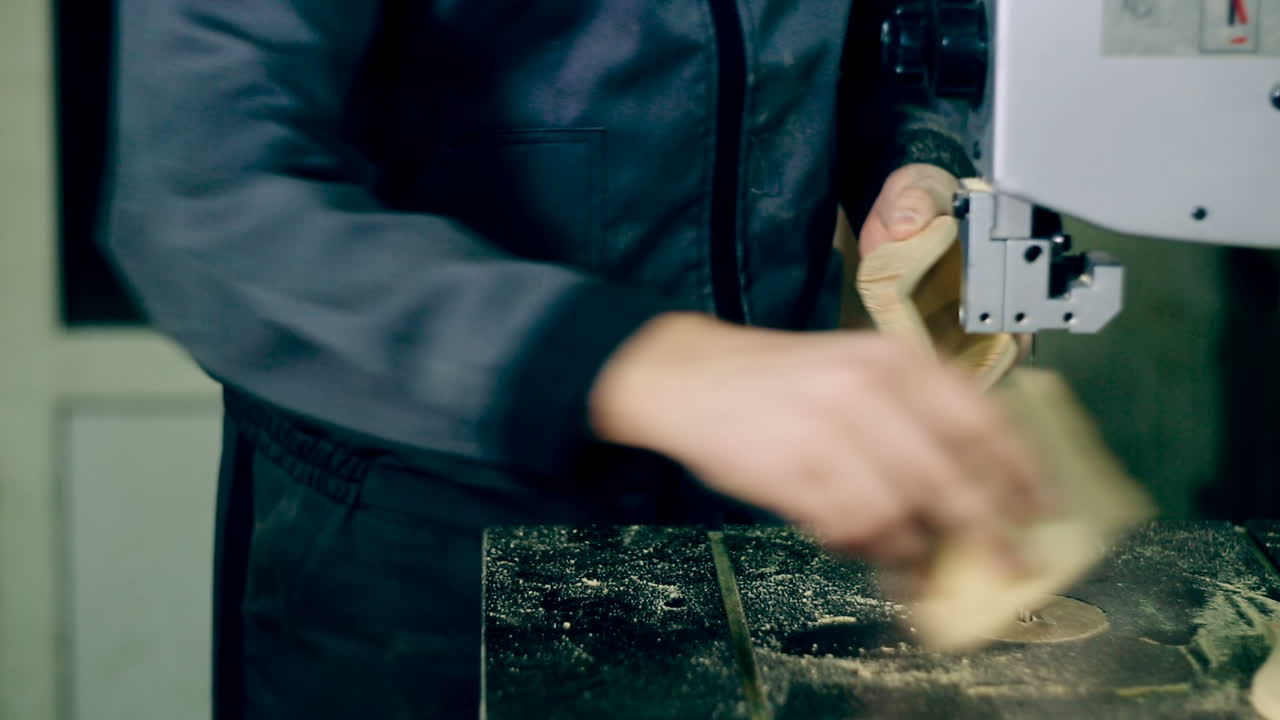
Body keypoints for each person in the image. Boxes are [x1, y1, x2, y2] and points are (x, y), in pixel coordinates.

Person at [102, 1, 1049, 717]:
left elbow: (896, 31)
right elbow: (203, 200)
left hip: (773, 513)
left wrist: (918, 159)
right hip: (429, 548)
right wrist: (641, 367)